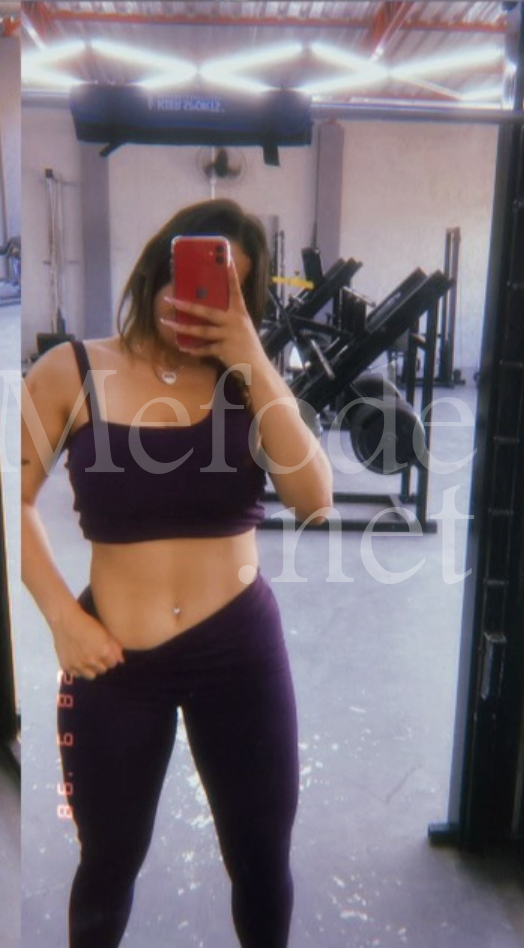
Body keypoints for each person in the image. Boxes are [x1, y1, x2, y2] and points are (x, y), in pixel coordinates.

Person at [21, 198, 334, 948]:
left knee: (262, 864)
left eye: (222, 290)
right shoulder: (70, 370)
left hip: (241, 656)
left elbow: (314, 498)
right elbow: (12, 499)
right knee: (107, 864)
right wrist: (62, 616)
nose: (192, 301)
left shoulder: (247, 380)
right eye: (183, 276)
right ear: (155, 267)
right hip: (113, 660)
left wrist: (251, 357)